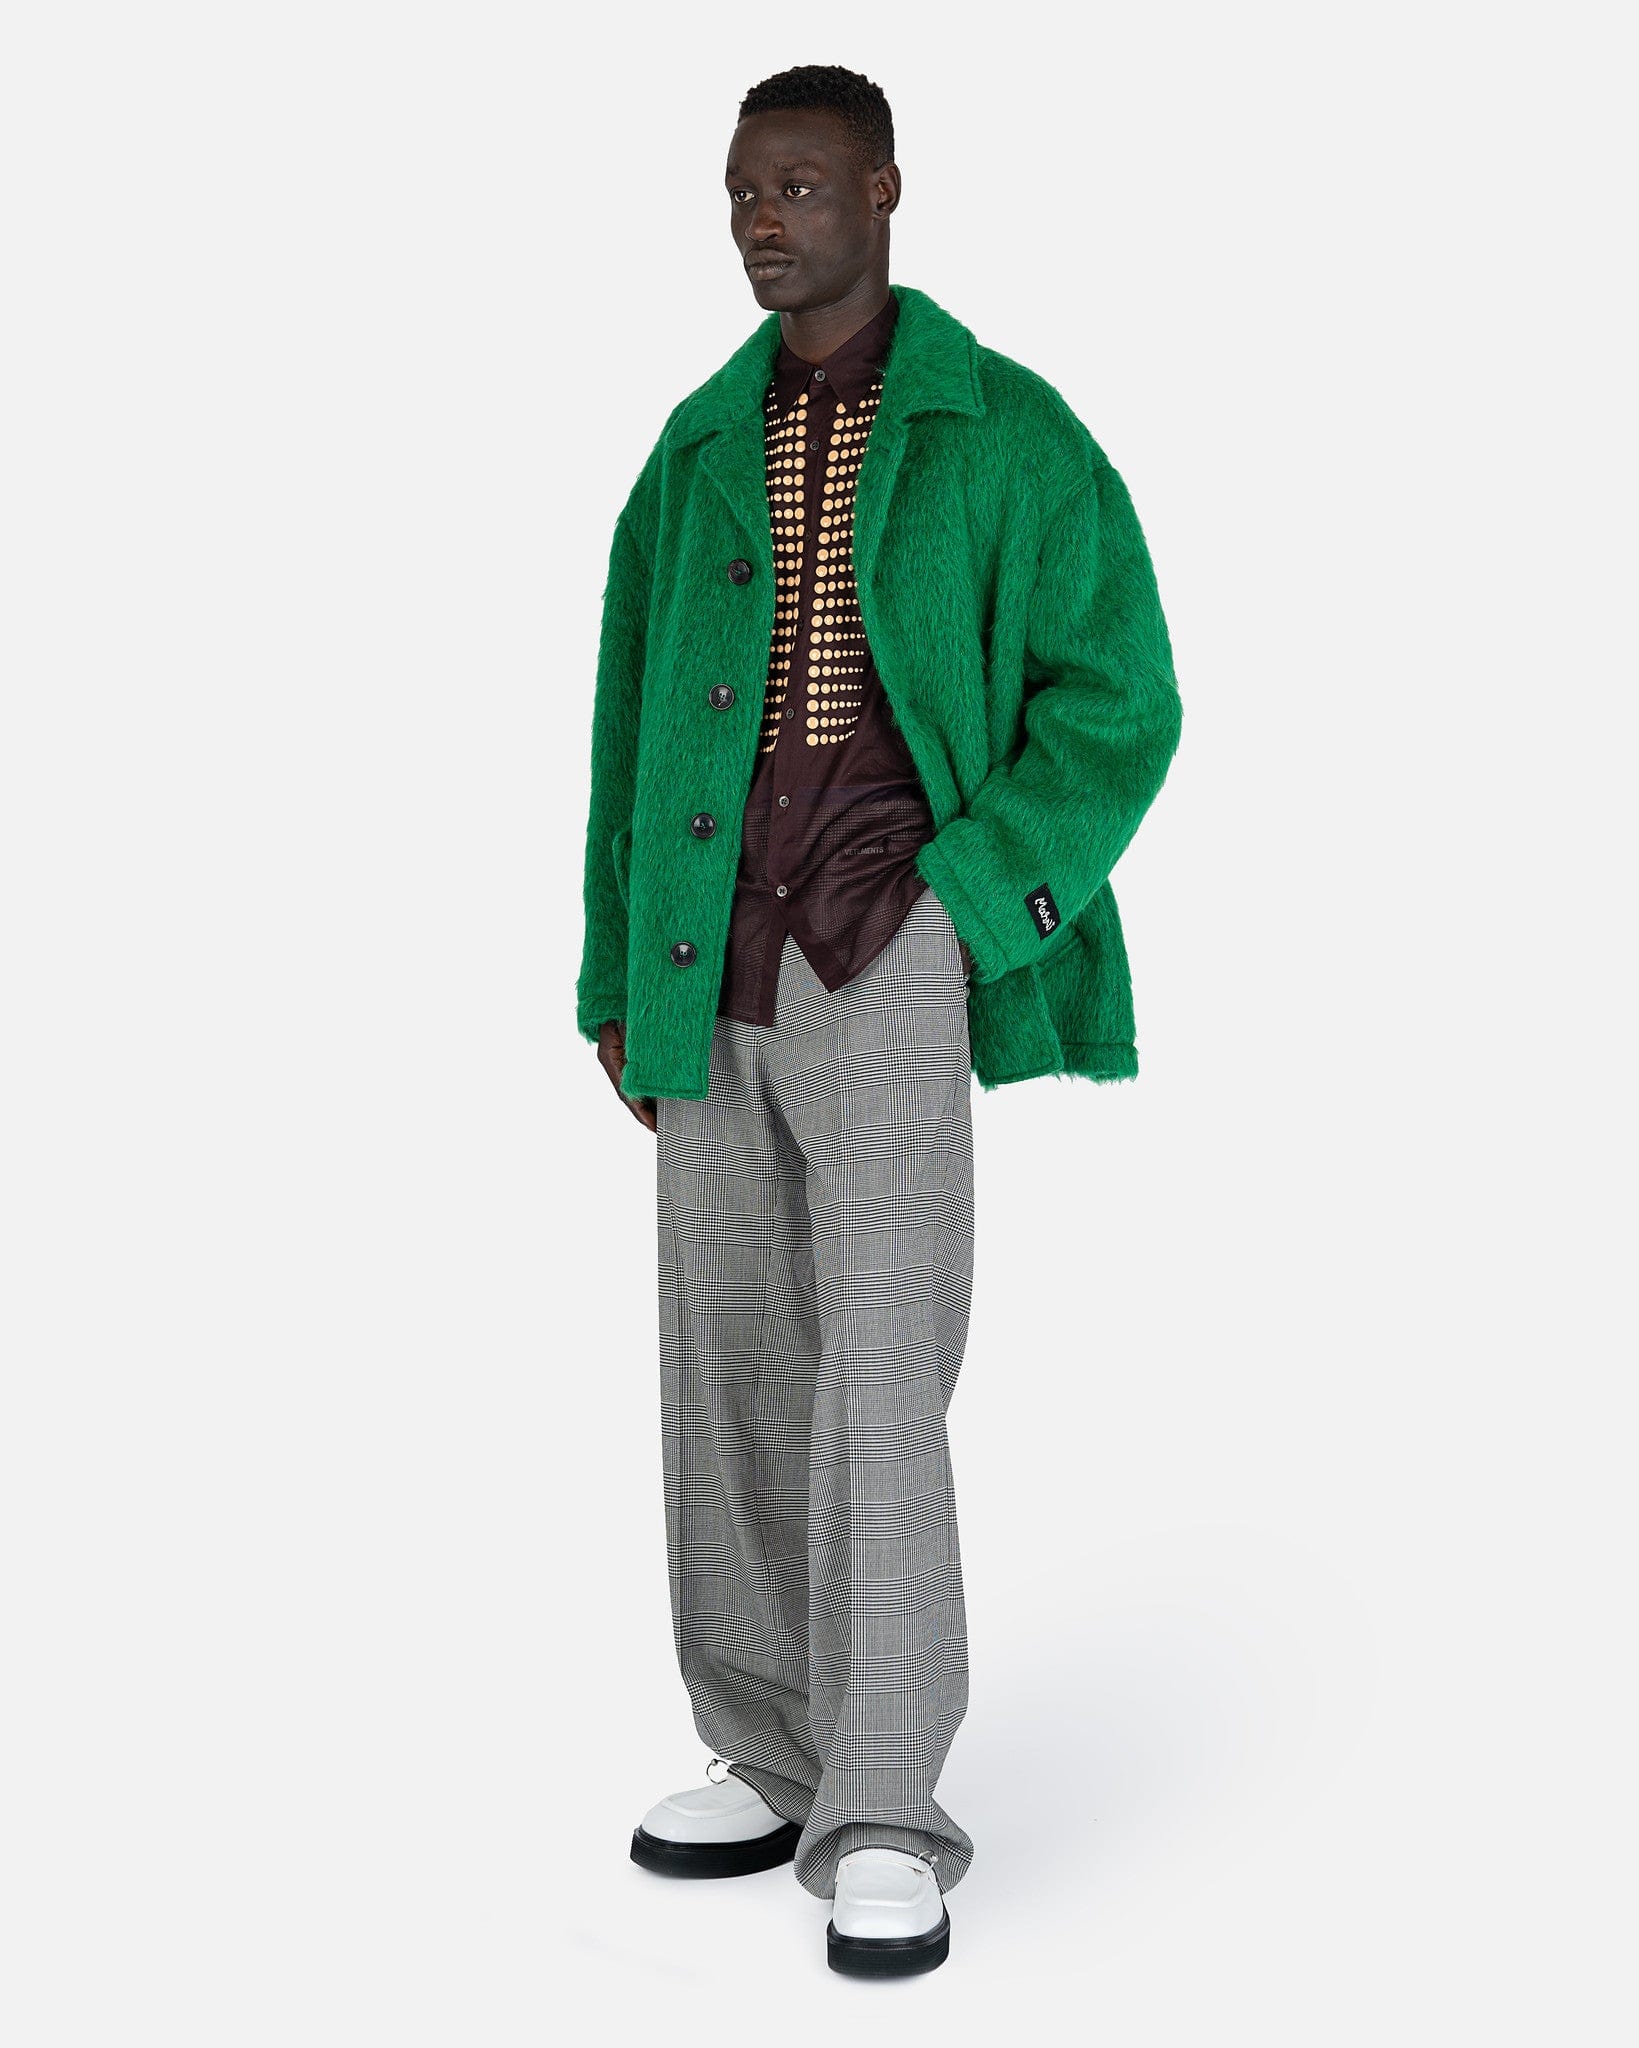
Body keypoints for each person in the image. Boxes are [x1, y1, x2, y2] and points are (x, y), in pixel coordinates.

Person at [576, 63, 1182, 1978]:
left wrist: (967, 900)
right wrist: (615, 975)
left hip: (893, 954)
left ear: (885, 191)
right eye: (744, 192)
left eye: (802, 186)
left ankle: (889, 1807)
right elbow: (623, 724)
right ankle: (771, 1750)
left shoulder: (1009, 431)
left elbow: (1121, 699)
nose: (766, 220)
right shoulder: (693, 448)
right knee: (728, 1363)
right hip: (710, 969)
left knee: (878, 1378)